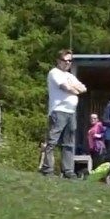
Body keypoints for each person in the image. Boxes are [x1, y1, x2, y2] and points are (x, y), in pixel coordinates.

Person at [40, 50, 85, 178]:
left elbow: (83, 88)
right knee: (52, 141)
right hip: (58, 111)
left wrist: (74, 88)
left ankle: (68, 171)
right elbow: (66, 87)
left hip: (71, 113)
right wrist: (74, 89)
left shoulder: (70, 76)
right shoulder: (54, 73)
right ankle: (47, 169)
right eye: (65, 60)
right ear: (58, 61)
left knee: (69, 143)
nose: (67, 63)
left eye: (70, 61)